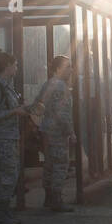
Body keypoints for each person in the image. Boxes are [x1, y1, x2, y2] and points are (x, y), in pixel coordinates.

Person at [0, 52, 31, 224]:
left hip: (10, 137)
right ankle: (0, 213)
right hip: (1, 139)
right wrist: (15, 111)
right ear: (8, 65)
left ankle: (3, 211)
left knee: (10, 175)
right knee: (7, 176)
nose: (17, 68)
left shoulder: (7, 86)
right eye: (16, 65)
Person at [33, 55, 75, 212]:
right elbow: (62, 113)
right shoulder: (61, 87)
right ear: (58, 69)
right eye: (68, 67)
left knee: (49, 164)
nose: (71, 70)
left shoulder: (47, 84)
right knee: (60, 165)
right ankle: (56, 200)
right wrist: (71, 132)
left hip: (46, 129)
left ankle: (48, 198)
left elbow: (38, 104)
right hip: (58, 132)